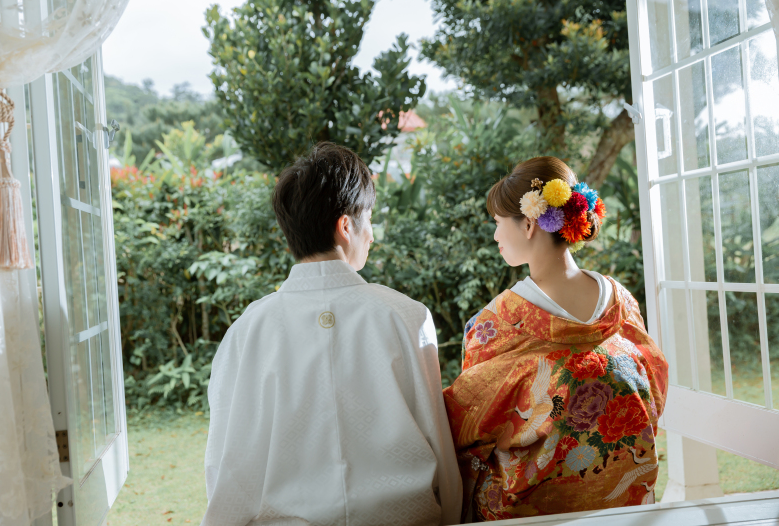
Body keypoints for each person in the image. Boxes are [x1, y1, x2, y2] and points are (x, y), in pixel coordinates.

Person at [202, 142, 461, 526]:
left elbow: (226, 459)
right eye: (368, 219)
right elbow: (438, 439)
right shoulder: (405, 315)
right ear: (345, 226)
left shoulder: (247, 331)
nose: (371, 235)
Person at [444, 157, 668, 522]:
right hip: (623, 500)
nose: (496, 236)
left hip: (538, 510)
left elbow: (469, 421)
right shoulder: (622, 301)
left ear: (528, 223)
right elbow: (654, 386)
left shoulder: (499, 321)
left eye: (498, 223)